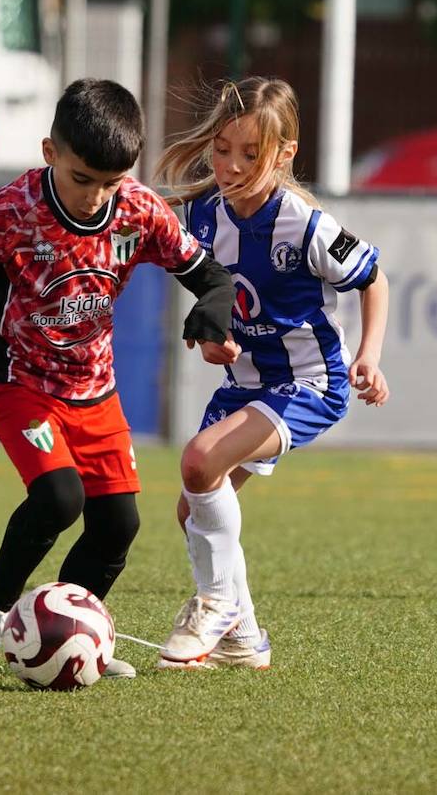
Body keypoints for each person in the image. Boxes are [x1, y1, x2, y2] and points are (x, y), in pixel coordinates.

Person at [0, 79, 236, 677]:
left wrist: (211, 315)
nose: (96, 197)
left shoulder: (140, 209)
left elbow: (211, 276)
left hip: (95, 390)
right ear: (49, 152)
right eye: (82, 179)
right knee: (61, 497)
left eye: (110, 182)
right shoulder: (13, 210)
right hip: (19, 382)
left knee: (119, 525)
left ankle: (71, 629)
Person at [151, 77, 390, 668]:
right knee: (191, 509)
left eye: (251, 154)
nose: (232, 166)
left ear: (284, 154)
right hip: (245, 385)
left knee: (198, 461)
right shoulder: (205, 214)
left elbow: (374, 279)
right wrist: (215, 337)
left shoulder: (305, 225)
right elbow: (215, 295)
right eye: (222, 149)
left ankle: (215, 604)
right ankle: (245, 637)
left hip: (309, 384)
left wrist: (370, 355)